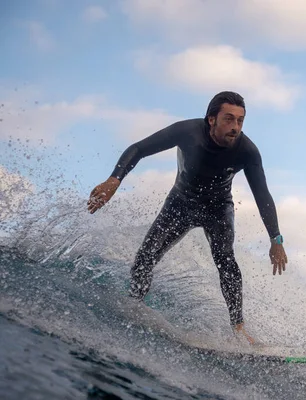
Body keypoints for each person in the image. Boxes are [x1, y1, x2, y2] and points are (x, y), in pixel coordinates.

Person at [86, 91, 288, 345]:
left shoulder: (247, 151)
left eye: (240, 121)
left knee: (225, 260)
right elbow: (139, 148)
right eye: (229, 119)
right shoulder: (187, 132)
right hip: (180, 203)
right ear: (211, 119)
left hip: (217, 208)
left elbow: (263, 195)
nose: (235, 128)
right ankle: (134, 306)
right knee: (144, 258)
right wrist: (114, 179)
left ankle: (238, 329)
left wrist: (275, 238)